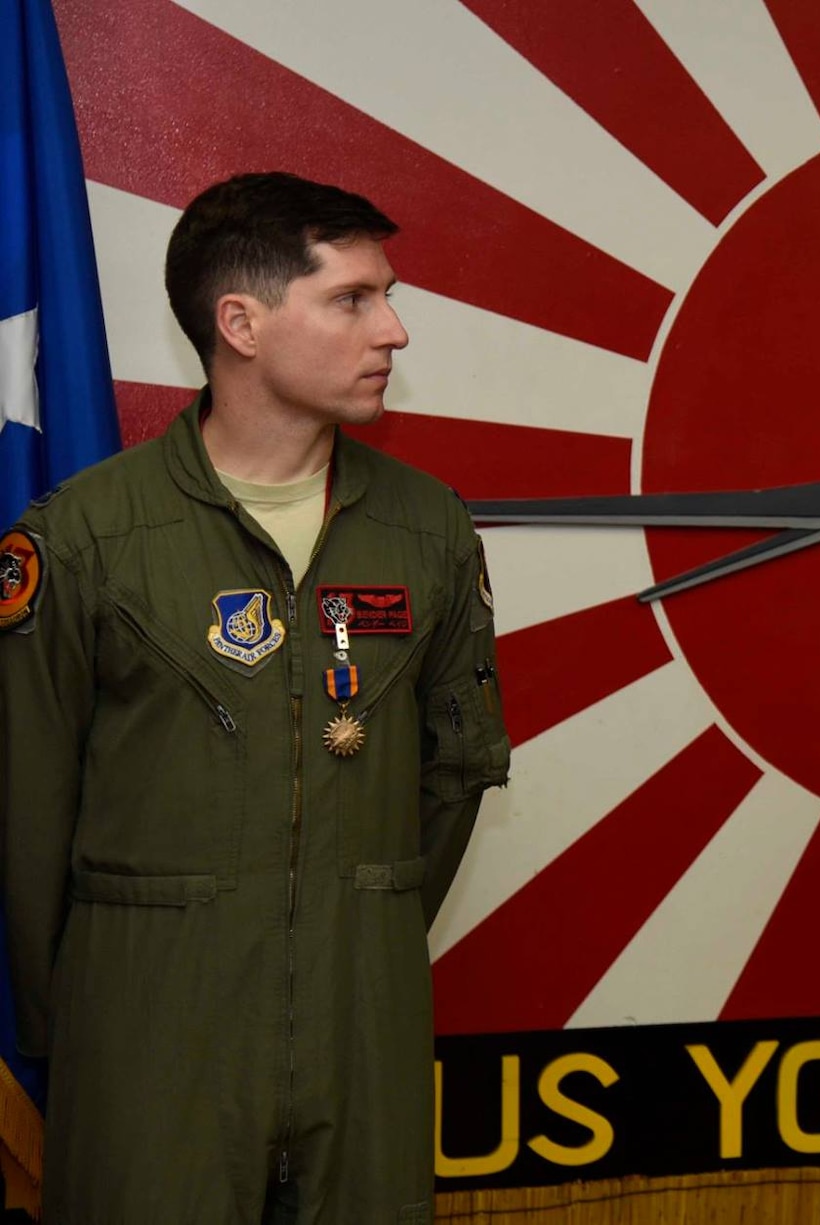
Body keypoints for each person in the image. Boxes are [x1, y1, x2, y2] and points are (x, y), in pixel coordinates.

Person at [0, 172, 511, 1221]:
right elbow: (25, 803)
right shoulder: (90, 537)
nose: (395, 330)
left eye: (387, 294)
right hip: (148, 1032)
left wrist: (355, 916)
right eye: (353, 299)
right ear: (240, 321)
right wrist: (101, 1006)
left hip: (360, 1029)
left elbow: (452, 777)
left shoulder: (430, 532)